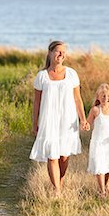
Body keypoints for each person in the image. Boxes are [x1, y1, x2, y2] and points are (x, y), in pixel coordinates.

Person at [30, 40, 89, 197]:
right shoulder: (41, 76)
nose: (62, 54)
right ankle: (57, 190)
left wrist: (83, 119)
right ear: (50, 53)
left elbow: (77, 99)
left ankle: (59, 183)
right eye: (58, 51)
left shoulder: (71, 74)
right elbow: (37, 102)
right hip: (48, 120)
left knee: (64, 156)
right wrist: (35, 123)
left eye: (64, 52)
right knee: (52, 154)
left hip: (67, 120)